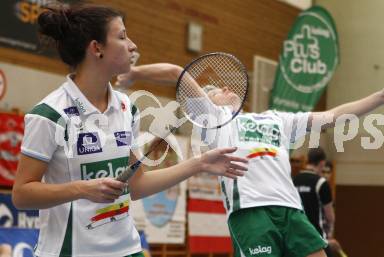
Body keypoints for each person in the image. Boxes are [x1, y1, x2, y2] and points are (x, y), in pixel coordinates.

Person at [117, 44, 384, 257]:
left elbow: (334, 116)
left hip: (292, 212)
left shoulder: (277, 120)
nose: (225, 89)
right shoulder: (213, 120)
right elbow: (174, 72)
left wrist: (379, 97)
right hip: (251, 214)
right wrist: (133, 74)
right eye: (217, 90)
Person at [11, 3, 248, 257]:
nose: (133, 45)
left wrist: (198, 164)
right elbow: (22, 194)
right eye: (122, 36)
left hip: (128, 250)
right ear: (96, 48)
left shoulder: (127, 108)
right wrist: (83, 189)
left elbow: (137, 185)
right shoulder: (50, 114)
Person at [293, 147, 335, 257]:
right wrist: (329, 234)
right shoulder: (321, 183)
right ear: (322, 163)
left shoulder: (293, 181)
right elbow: (330, 216)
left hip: (296, 239)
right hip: (316, 239)